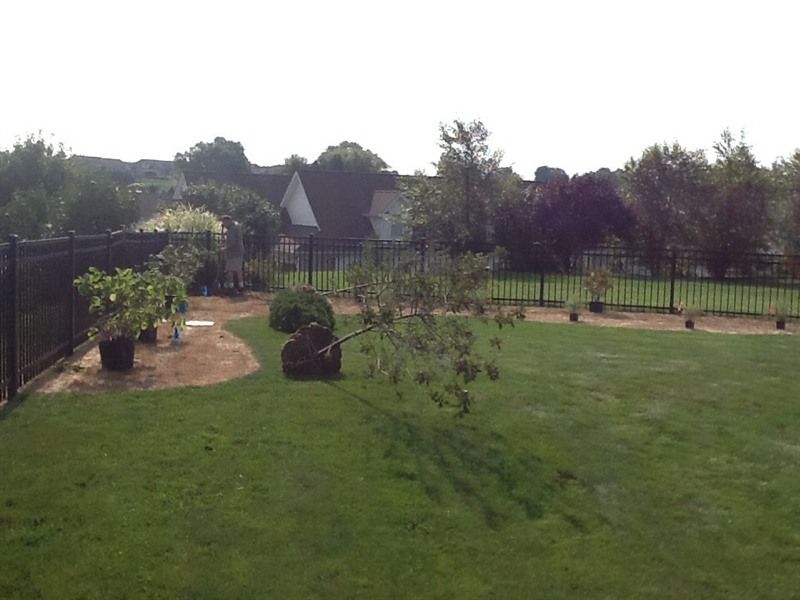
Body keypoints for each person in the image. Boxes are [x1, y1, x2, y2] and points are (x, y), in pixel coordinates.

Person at [220, 215, 245, 295]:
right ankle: (241, 287)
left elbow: (232, 243)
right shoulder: (236, 226)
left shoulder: (232, 229)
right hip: (239, 252)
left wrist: (224, 249)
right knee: (238, 270)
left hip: (233, 253)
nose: (223, 224)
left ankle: (231, 288)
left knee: (229, 270)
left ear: (228, 221)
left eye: (224, 222)